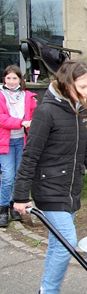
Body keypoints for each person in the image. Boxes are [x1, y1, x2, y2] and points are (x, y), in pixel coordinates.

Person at [13, 60, 87, 294]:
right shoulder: (46, 111)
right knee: (66, 242)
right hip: (49, 187)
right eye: (82, 87)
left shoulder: (81, 110)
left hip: (71, 187)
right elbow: (30, 155)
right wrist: (21, 196)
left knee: (58, 245)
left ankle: (46, 290)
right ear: (66, 83)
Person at [0, 65, 37, 227]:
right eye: (8, 78)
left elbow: (35, 115)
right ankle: (3, 208)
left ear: (20, 79)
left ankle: (15, 205)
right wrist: (21, 122)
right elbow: (2, 118)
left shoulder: (27, 96)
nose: (12, 81)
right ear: (4, 79)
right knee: (7, 176)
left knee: (17, 175)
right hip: (6, 141)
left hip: (22, 141)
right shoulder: (1, 95)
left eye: (15, 78)